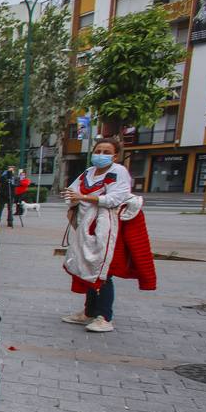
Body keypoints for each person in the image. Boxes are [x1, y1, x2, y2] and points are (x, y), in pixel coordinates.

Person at [60, 137, 156, 333]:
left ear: (115, 155)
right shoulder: (89, 173)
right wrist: (73, 203)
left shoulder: (118, 172)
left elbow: (115, 198)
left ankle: (104, 316)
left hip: (109, 226)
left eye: (106, 152)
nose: (101, 155)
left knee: (103, 270)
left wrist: (84, 198)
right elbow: (73, 191)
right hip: (88, 223)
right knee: (87, 265)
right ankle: (89, 312)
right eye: (98, 150)